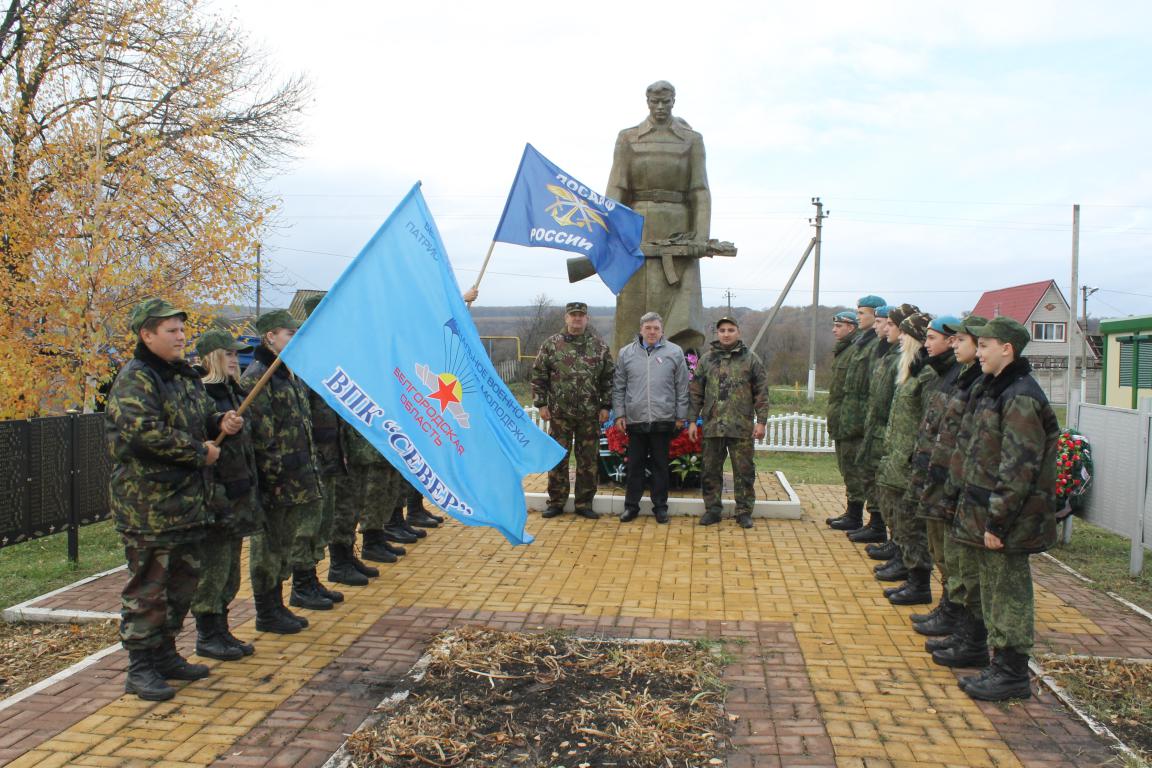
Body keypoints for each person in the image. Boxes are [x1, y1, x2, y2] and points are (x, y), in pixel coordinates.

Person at [106, 298, 242, 701]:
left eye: (183, 330)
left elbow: (201, 416)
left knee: (181, 585)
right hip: (149, 506)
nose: (181, 337)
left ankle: (165, 655)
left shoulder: (183, 377)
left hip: (187, 504)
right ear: (147, 335)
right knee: (149, 588)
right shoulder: (137, 378)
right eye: (172, 331)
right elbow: (143, 433)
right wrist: (199, 452)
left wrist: (221, 422)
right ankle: (140, 667)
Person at [950, 317, 1059, 701]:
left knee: (1009, 592)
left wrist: (998, 521)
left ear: (1006, 349)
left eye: (984, 346)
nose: (977, 353)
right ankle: (998, 663)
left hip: (1012, 518)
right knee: (994, 589)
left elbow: (1018, 468)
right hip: (988, 511)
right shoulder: (998, 388)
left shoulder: (1020, 396)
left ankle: (1012, 672)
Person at [607, 81, 711, 354]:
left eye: (666, 101)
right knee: (631, 307)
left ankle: (681, 371)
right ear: (648, 102)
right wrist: (610, 233)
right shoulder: (628, 138)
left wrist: (700, 236)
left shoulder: (691, 139)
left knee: (680, 310)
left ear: (674, 101)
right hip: (636, 229)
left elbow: (700, 190)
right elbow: (617, 188)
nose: (661, 107)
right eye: (655, 101)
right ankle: (626, 369)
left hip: (680, 231)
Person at [242, 309, 328, 631]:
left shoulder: (288, 373)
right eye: (290, 334)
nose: (295, 338)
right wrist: (273, 478)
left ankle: (282, 601)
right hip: (275, 481)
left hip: (298, 476)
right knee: (268, 546)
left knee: (287, 541)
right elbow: (263, 437)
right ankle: (267, 611)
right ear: (270, 337)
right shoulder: (258, 377)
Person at [916, 316, 991, 666]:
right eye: (956, 340)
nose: (957, 345)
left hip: (964, 485)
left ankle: (967, 632)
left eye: (962, 340)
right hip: (945, 475)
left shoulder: (981, 383)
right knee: (947, 553)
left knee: (964, 563)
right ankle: (953, 615)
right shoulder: (961, 377)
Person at [190, 330, 264, 662]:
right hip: (215, 494)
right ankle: (207, 633)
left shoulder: (234, 393)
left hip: (238, 491)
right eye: (229, 354)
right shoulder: (202, 393)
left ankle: (221, 627)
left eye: (237, 355)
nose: (236, 359)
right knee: (214, 568)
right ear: (211, 357)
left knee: (230, 569)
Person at [873, 311, 936, 605]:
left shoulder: (927, 377)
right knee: (900, 518)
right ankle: (905, 566)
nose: (901, 341)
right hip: (897, 458)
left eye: (907, 336)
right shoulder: (910, 372)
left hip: (911, 462)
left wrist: (916, 459)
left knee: (913, 524)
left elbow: (928, 424)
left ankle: (919, 582)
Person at [531, 301, 615, 520]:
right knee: (558, 458)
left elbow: (608, 379)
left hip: (589, 414)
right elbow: (539, 375)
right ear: (566, 318)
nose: (577, 319)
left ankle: (584, 503)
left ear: (587, 319)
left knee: (588, 461)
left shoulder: (599, 346)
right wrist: (541, 404)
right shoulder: (551, 345)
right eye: (573, 315)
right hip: (559, 414)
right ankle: (557, 502)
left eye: (581, 315)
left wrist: (606, 406)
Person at [688, 317, 768, 528]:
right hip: (713, 425)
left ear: (738, 333)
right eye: (722, 330)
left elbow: (761, 393)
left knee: (744, 471)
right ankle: (712, 510)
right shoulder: (707, 360)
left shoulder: (751, 360)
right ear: (717, 333)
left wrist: (761, 422)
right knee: (710, 470)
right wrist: (692, 421)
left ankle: (744, 512)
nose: (726, 333)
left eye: (730, 330)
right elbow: (696, 392)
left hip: (740, 427)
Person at [612, 312, 690, 523]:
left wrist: (681, 416)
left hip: (663, 418)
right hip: (636, 419)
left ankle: (660, 507)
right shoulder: (626, 353)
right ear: (641, 330)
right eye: (648, 328)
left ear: (662, 330)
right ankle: (631, 507)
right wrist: (619, 413)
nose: (652, 332)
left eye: (656, 328)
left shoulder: (674, 352)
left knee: (660, 466)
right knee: (634, 465)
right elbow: (618, 387)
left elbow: (682, 387)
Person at [827, 295, 886, 532]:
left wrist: (862, 421)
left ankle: (875, 522)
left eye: (862, 313)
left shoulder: (872, 347)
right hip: (846, 419)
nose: (859, 316)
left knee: (864, 473)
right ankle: (853, 514)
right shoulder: (859, 345)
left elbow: (871, 389)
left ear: (875, 315)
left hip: (859, 423)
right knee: (850, 469)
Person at [849, 304, 901, 545]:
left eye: (887, 323)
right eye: (881, 322)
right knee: (872, 477)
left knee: (886, 486)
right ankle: (877, 525)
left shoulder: (898, 357)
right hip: (874, 425)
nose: (883, 327)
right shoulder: (882, 351)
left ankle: (887, 534)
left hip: (886, 430)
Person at [825, 310, 859, 526]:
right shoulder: (844, 350)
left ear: (851, 327)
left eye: (839, 326)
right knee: (846, 467)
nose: (834, 330)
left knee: (853, 468)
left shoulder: (855, 350)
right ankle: (851, 511)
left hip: (850, 419)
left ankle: (855, 515)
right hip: (841, 417)